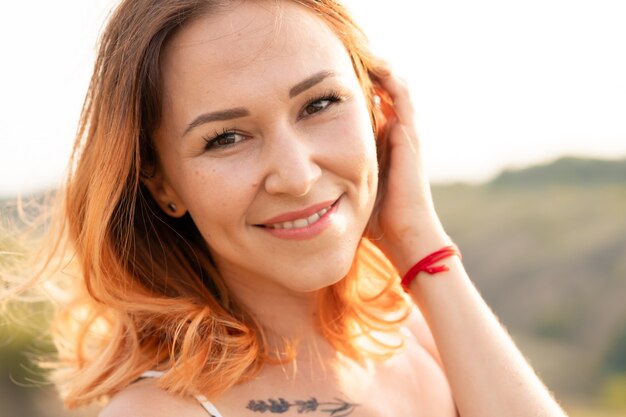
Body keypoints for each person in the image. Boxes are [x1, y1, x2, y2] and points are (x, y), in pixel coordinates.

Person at [3, 0, 567, 416]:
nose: (297, 176)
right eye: (225, 138)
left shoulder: (421, 332)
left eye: (320, 103)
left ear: (378, 111)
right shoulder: (160, 411)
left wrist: (419, 242)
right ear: (161, 184)